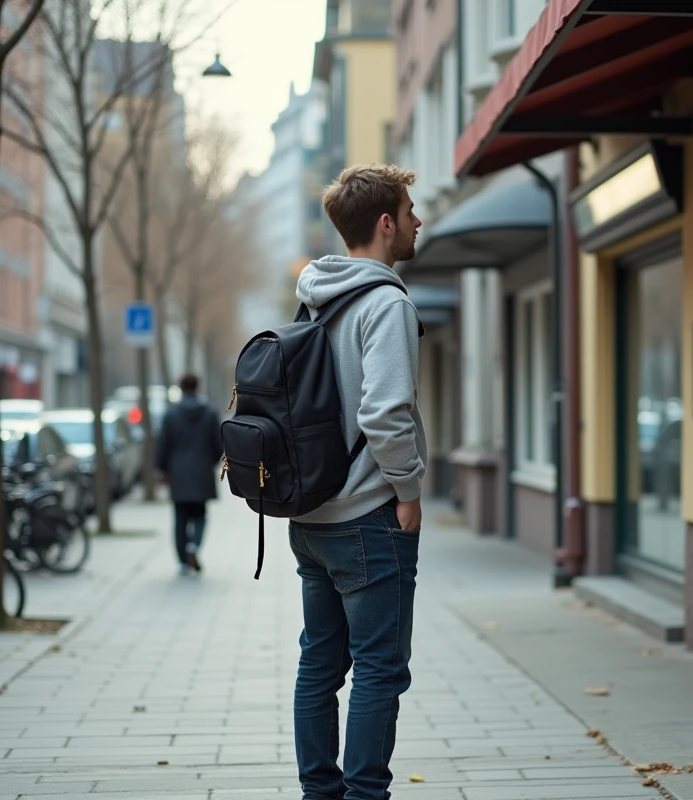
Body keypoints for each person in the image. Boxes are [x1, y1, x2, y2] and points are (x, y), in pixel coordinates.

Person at [289, 163, 426, 800]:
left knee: (320, 662)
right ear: (385, 222)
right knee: (378, 668)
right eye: (410, 210)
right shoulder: (386, 301)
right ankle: (365, 796)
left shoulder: (315, 293)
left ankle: (321, 793)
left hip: (310, 517)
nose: (418, 221)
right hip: (368, 516)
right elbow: (385, 412)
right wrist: (408, 490)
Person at [154, 373, 223, 575]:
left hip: (178, 474)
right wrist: (210, 462)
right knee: (200, 514)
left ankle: (183, 561)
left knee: (180, 518)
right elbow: (219, 444)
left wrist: (162, 470)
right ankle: (194, 545)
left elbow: (163, 445)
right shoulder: (210, 412)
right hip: (202, 472)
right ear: (198, 387)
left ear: (181, 388)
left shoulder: (171, 414)